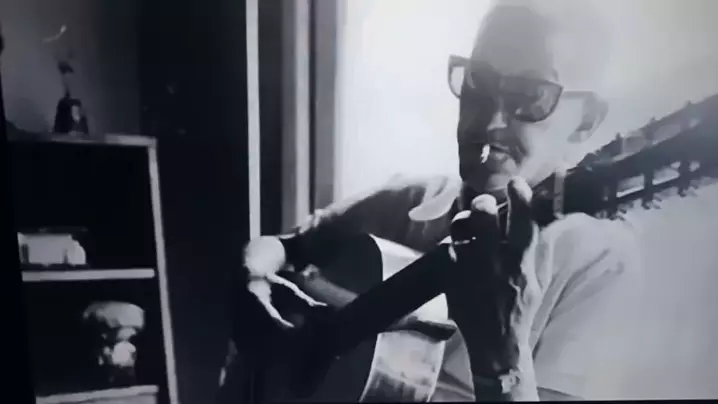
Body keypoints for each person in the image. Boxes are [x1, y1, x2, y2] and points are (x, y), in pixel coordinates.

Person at [221, 1, 641, 402]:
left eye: (530, 97)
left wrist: (503, 359)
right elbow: (284, 246)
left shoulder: (600, 263)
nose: (490, 120)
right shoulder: (408, 201)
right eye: (478, 81)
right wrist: (252, 279)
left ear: (586, 121)